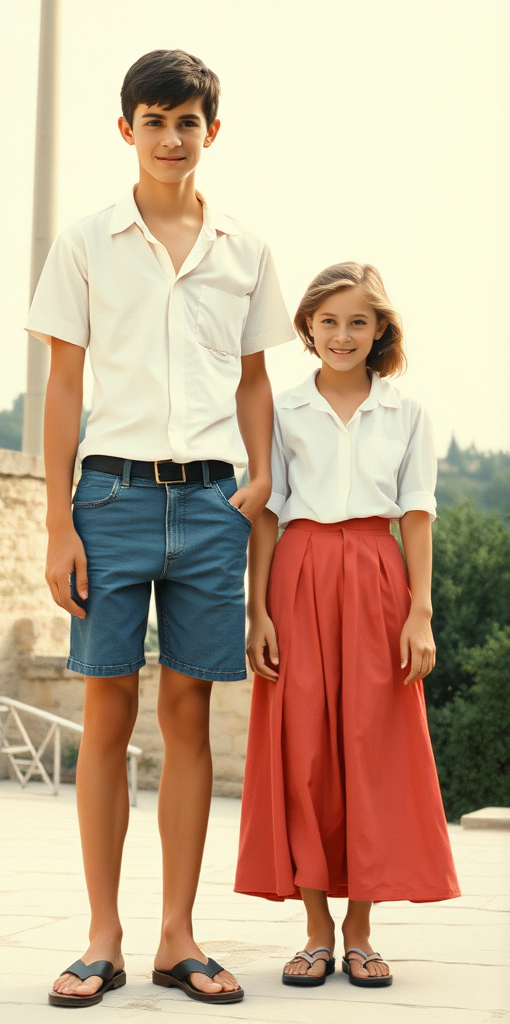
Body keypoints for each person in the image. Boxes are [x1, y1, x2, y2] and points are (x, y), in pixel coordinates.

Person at [26, 49, 294, 1008]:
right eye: (154, 120)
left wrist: (260, 479)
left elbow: (255, 379)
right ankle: (103, 936)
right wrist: (58, 522)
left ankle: (180, 938)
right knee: (108, 716)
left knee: (189, 718)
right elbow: (64, 383)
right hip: (111, 502)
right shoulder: (87, 241)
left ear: (211, 132)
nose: (171, 138)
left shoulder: (246, 250)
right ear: (127, 129)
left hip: (215, 507)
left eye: (188, 122)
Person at [235, 262, 460, 988]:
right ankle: (312, 931)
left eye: (358, 321)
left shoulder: (408, 413)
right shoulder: (283, 410)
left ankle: (360, 930)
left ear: (380, 329)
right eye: (328, 321)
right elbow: (267, 514)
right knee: (301, 753)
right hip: (298, 578)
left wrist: (420, 612)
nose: (342, 334)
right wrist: (258, 608)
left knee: (372, 748)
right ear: (306, 328)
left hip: (375, 579)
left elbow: (418, 514)